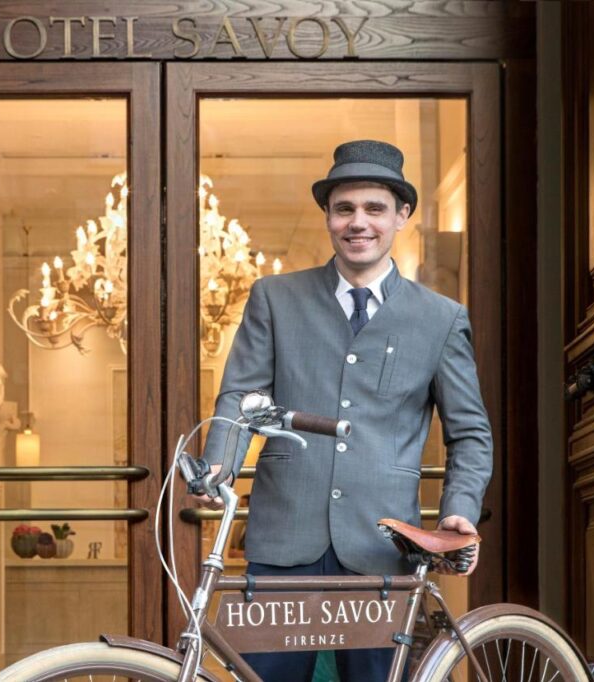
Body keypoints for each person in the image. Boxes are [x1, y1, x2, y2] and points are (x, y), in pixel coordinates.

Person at [195, 140, 493, 681]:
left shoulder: (440, 318)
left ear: (402, 215)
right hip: (284, 537)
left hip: (381, 546)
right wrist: (217, 466)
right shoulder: (275, 298)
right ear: (329, 217)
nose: (359, 223)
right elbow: (241, 396)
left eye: (374, 208)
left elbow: (470, 433)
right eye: (345, 209)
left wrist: (459, 507)